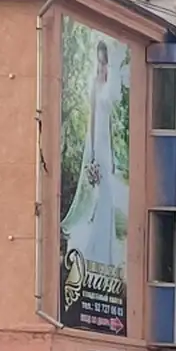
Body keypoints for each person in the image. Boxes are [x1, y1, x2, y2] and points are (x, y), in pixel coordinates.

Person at [62, 39, 124, 272]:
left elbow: (110, 118)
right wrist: (92, 152)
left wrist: (112, 157)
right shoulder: (94, 83)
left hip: (106, 141)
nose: (102, 64)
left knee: (108, 192)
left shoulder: (110, 81)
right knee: (100, 192)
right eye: (100, 60)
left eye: (104, 59)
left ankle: (105, 248)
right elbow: (93, 117)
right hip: (96, 139)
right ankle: (95, 244)